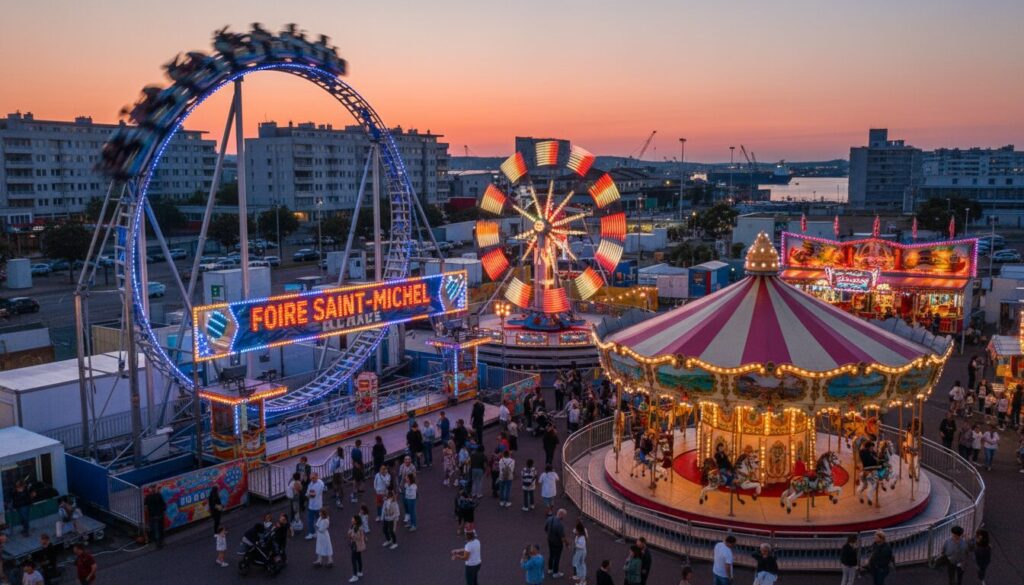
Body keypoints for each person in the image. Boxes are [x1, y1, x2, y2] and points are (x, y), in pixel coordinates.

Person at [545, 508, 568, 578]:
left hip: (549, 540)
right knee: (557, 557)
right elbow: (563, 537)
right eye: (564, 516)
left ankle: (550, 569)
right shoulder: (560, 525)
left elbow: (545, 528)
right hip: (557, 543)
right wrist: (567, 544)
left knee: (551, 555)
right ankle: (555, 572)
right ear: (561, 515)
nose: (564, 517)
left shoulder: (549, 519)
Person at [305, 472, 325, 540]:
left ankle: (319, 532)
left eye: (313, 478)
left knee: (319, 520)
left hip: (318, 506)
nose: (312, 479)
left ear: (317, 476)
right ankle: (312, 533)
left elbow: (312, 495)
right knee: (310, 520)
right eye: (311, 478)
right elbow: (308, 493)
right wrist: (309, 494)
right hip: (311, 506)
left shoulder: (320, 484)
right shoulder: (310, 484)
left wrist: (309, 494)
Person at [347, 515, 366, 583]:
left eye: (353, 519)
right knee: (358, 558)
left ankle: (355, 575)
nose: (352, 520)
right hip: (357, 545)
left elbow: (357, 537)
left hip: (356, 545)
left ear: (356, 520)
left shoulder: (358, 528)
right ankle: (360, 572)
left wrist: (351, 534)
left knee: (353, 559)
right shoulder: (354, 526)